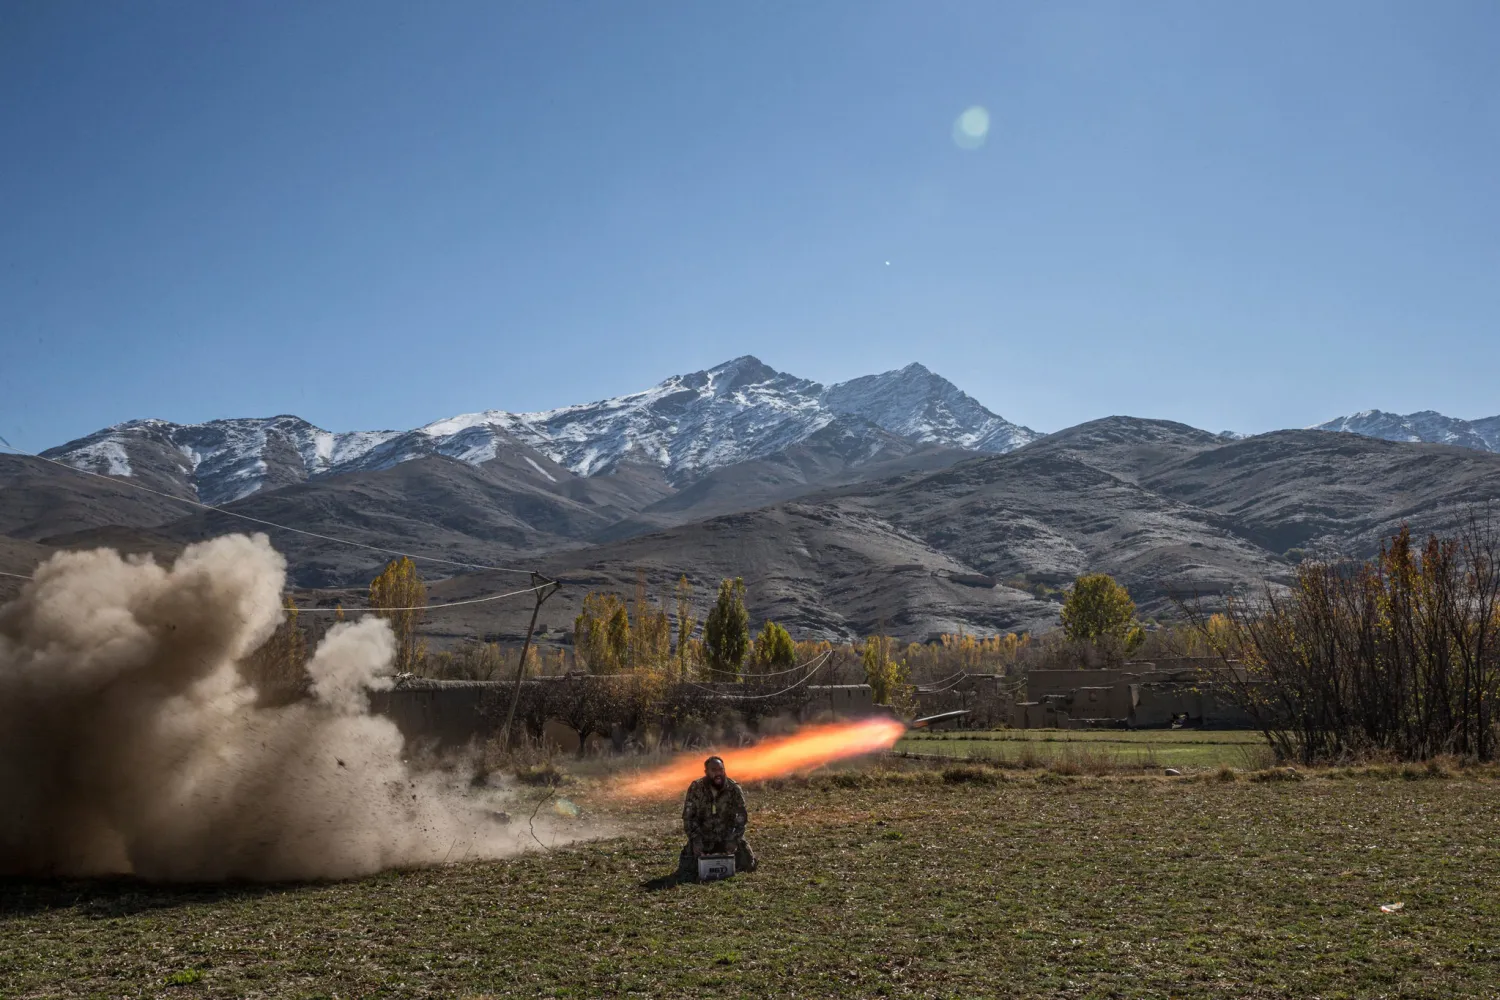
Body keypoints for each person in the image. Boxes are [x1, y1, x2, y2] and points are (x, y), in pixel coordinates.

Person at [678, 755, 757, 877]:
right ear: (706, 772)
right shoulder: (696, 788)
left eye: (721, 769)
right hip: (704, 838)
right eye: (714, 770)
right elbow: (688, 818)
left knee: (748, 863)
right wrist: (696, 840)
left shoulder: (734, 789)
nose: (718, 773)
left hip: (727, 838)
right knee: (687, 868)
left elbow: (741, 818)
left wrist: (734, 839)